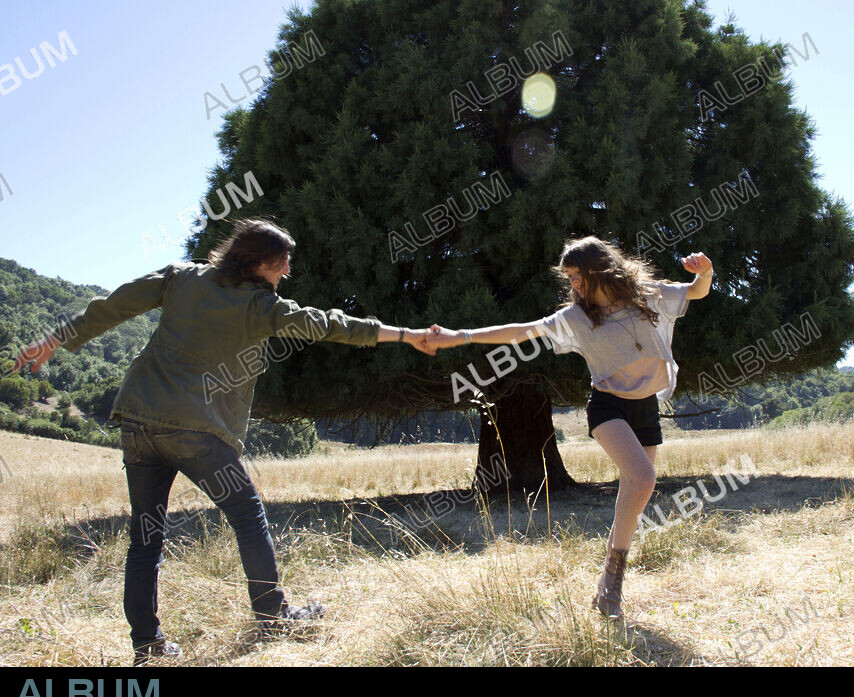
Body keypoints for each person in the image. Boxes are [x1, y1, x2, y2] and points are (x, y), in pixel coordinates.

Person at [12, 217, 437, 664]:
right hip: (196, 431)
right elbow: (331, 324)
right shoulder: (260, 307)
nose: (287, 272)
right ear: (257, 263)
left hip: (138, 419)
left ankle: (147, 645)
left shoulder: (182, 277)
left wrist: (56, 338)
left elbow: (114, 304)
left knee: (146, 535)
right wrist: (408, 336)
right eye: (282, 262)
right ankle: (273, 615)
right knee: (248, 516)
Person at [426, 235, 713, 619]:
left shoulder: (648, 295)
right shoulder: (577, 317)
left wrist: (705, 270)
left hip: (645, 406)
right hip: (608, 405)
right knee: (644, 479)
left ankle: (609, 585)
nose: (573, 284)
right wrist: (459, 337)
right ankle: (612, 582)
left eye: (577, 275)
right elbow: (521, 331)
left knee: (633, 489)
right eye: (569, 278)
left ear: (598, 269)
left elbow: (697, 291)